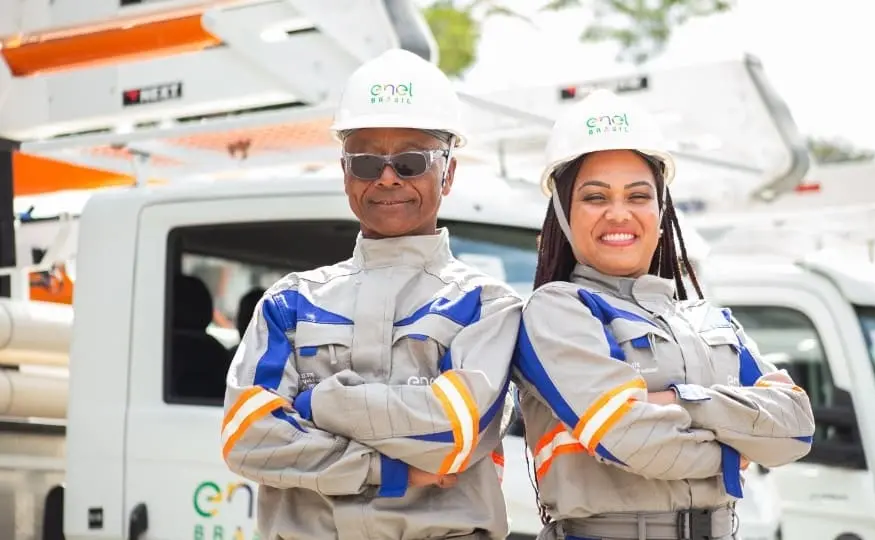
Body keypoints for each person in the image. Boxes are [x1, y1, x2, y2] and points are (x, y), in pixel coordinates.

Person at [221, 49, 521, 540]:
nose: (387, 177)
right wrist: (392, 469)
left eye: (409, 161)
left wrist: (318, 404)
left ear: (448, 172)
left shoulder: (486, 306)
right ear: (345, 173)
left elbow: (452, 435)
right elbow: (248, 438)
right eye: (365, 162)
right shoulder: (288, 302)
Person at [513, 89, 815, 540]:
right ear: (563, 213)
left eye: (638, 196)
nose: (619, 214)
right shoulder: (558, 311)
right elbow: (631, 440)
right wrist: (737, 449)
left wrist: (675, 401)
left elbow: (795, 427)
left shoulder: (709, 320)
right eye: (595, 197)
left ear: (660, 212)